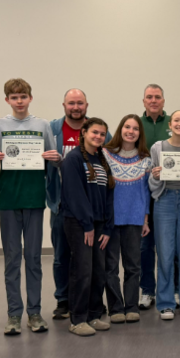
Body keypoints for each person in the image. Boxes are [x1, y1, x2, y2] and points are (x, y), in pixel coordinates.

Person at [0, 78, 61, 335]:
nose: (19, 101)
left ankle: (35, 313)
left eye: (23, 96)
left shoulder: (42, 125)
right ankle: (13, 315)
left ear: (30, 98)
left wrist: (56, 158)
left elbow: (55, 161)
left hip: (34, 199)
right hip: (7, 200)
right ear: (7, 99)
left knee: (33, 259)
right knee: (11, 259)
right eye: (14, 97)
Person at [61, 118, 114, 336]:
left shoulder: (102, 160)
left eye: (102, 134)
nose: (98, 137)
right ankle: (78, 319)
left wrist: (108, 227)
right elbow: (75, 196)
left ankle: (93, 315)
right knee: (82, 271)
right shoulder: (73, 159)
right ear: (84, 132)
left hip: (100, 224)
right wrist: (87, 225)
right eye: (94, 132)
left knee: (98, 272)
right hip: (79, 223)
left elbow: (109, 194)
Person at [148, 110, 180, 320]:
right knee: (165, 253)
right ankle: (166, 303)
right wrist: (156, 176)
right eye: (177, 120)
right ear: (170, 124)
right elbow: (152, 183)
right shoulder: (158, 147)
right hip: (165, 200)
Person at [139, 84, 180, 310]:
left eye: (158, 97)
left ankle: (174, 289)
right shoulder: (136, 125)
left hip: (170, 194)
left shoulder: (174, 124)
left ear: (163, 101)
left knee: (172, 245)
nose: (154, 100)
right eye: (150, 97)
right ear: (143, 101)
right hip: (142, 193)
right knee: (145, 246)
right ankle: (147, 290)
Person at [103, 115, 153, 323]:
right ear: (120, 129)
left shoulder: (146, 160)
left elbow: (145, 193)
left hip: (134, 219)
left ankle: (131, 306)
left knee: (133, 266)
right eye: (127, 127)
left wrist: (145, 220)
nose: (130, 131)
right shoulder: (104, 154)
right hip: (110, 221)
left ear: (140, 133)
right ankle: (115, 307)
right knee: (111, 267)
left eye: (135, 128)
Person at [47, 88, 89, 320]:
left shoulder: (97, 128)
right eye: (71, 103)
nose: (76, 107)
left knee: (88, 256)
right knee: (61, 254)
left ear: (86, 105)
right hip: (61, 203)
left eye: (80, 103)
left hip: (89, 205)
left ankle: (89, 297)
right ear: (64, 105)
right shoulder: (52, 129)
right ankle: (63, 299)